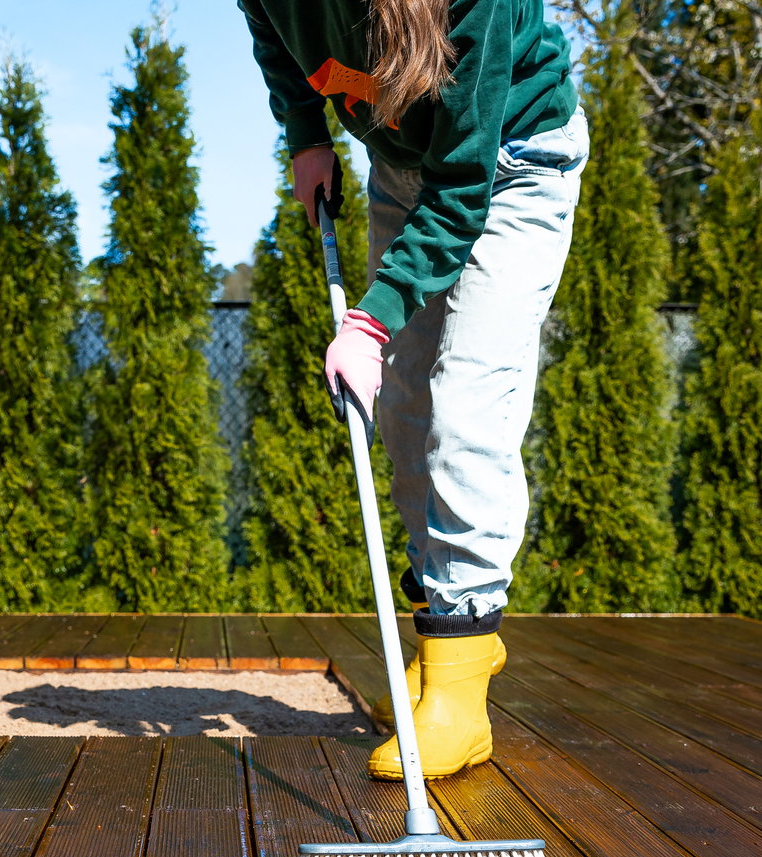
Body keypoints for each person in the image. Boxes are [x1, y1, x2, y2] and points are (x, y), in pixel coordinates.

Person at [241, 0, 587, 780]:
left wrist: (369, 324)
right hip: (399, 166)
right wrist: (306, 134)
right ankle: (448, 650)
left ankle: (460, 691)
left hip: (510, 161)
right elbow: (270, 27)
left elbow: (463, 189)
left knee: (466, 411)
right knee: (400, 415)